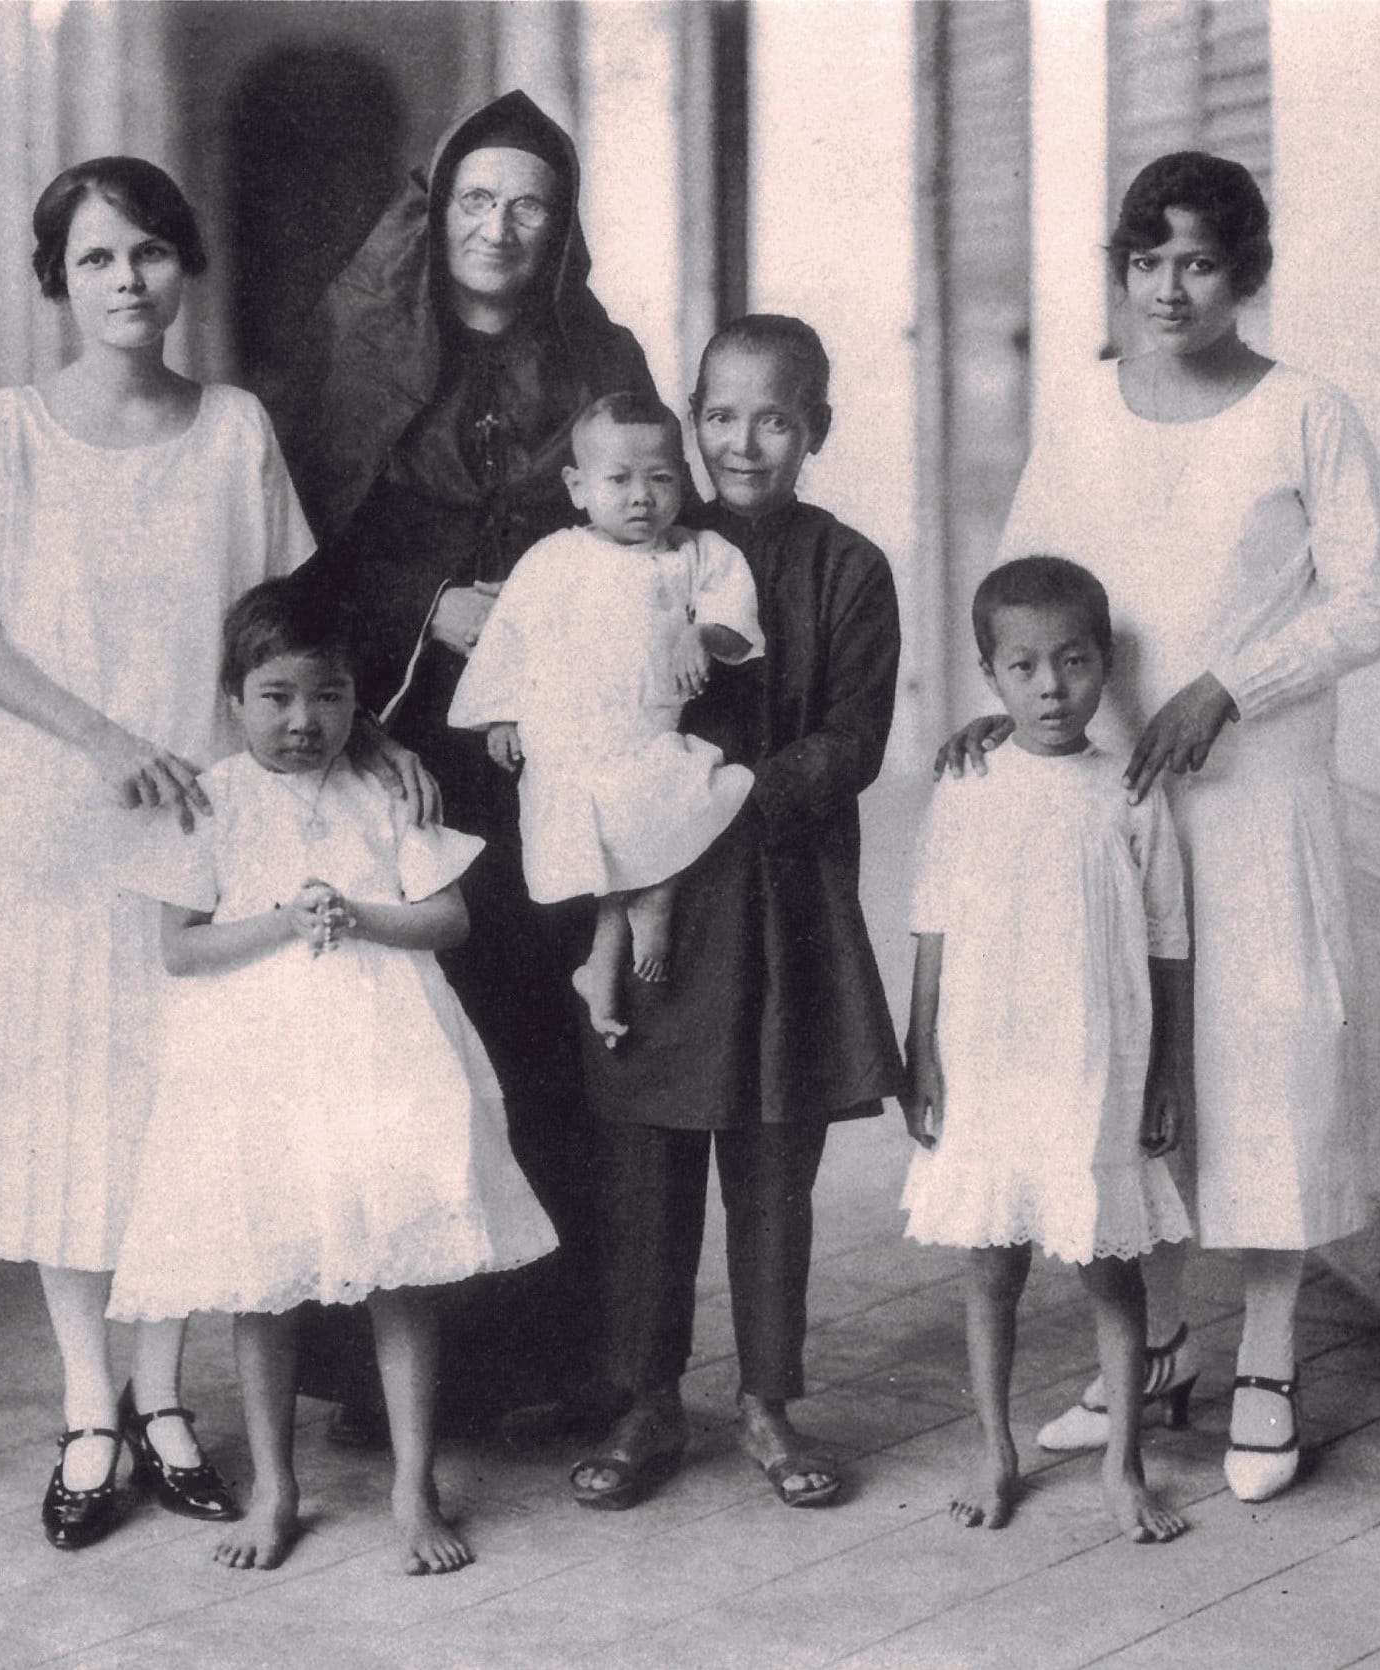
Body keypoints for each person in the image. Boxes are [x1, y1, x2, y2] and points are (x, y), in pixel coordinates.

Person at [0, 158, 424, 1551]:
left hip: (202, 820)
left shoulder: (234, 430)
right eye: (95, 260)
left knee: (181, 1106)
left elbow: (280, 624)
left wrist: (345, 742)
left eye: (148, 252)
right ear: (58, 284)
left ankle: (163, 1395)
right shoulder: (8, 434)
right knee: (64, 1109)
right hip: (51, 820)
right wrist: (94, 737)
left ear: (183, 266)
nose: (127, 280)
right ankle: (88, 1403)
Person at [938, 152, 1380, 1503]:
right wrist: (1011, 718)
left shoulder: (1305, 413)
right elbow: (1017, 586)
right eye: (1145, 261)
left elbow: (1371, 599)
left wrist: (1227, 686)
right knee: (1127, 1060)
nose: (1167, 286)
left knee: (1258, 1066)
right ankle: (1156, 1347)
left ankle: (1263, 1353)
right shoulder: (1084, 415)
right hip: (1108, 798)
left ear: (1243, 273)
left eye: (1196, 261)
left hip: (1252, 796)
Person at [276, 90, 659, 1435]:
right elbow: (299, 545)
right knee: (402, 1046)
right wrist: (421, 608)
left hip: (556, 742)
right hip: (401, 736)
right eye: (477, 200)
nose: (501, 229)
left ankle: (551, 1362)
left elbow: (654, 518)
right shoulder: (355, 345)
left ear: (559, 228)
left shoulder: (600, 348)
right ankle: (380, 1381)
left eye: (530, 205)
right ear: (436, 216)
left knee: (545, 1039)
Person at [107, 576, 558, 1575]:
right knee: (262, 1276)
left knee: (398, 1269)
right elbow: (180, 950)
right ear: (233, 697)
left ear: (359, 698)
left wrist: (355, 915)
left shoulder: (382, 787)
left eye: (327, 695)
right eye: (275, 696)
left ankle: (413, 1481)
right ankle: (276, 1486)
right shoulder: (211, 800)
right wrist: (281, 919)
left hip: (378, 1051)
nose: (303, 720)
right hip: (253, 1065)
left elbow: (447, 918)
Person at [569, 316, 903, 1510]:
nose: (741, 440)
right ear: (690, 417)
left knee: (772, 1158)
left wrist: (723, 794)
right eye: (717, 414)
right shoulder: (647, 551)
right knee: (646, 1157)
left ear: (816, 424)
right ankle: (645, 1398)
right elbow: (591, 706)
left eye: (772, 415)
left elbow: (854, 737)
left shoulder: (846, 566)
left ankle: (766, 1399)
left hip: (784, 893)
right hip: (659, 896)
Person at [902, 557, 1193, 1543]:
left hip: (1092, 1058)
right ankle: (993, 1446)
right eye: (1021, 666)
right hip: (986, 1050)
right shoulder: (968, 781)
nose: (1048, 686)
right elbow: (932, 919)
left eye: (1071, 661)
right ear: (990, 675)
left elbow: (1166, 942)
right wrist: (921, 1047)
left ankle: (1123, 1459)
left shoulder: (1130, 787)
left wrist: (1164, 1071)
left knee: (1107, 1264)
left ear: (1102, 664)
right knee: (991, 1265)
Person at [447, 391, 762, 1044]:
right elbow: (510, 635)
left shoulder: (696, 555)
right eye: (619, 480)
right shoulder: (553, 560)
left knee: (674, 799)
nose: (641, 497)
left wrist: (699, 634)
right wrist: (501, 716)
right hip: (565, 736)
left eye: (661, 478)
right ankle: (640, 914)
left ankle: (603, 962)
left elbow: (734, 621)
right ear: (577, 487)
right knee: (611, 841)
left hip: (641, 733)